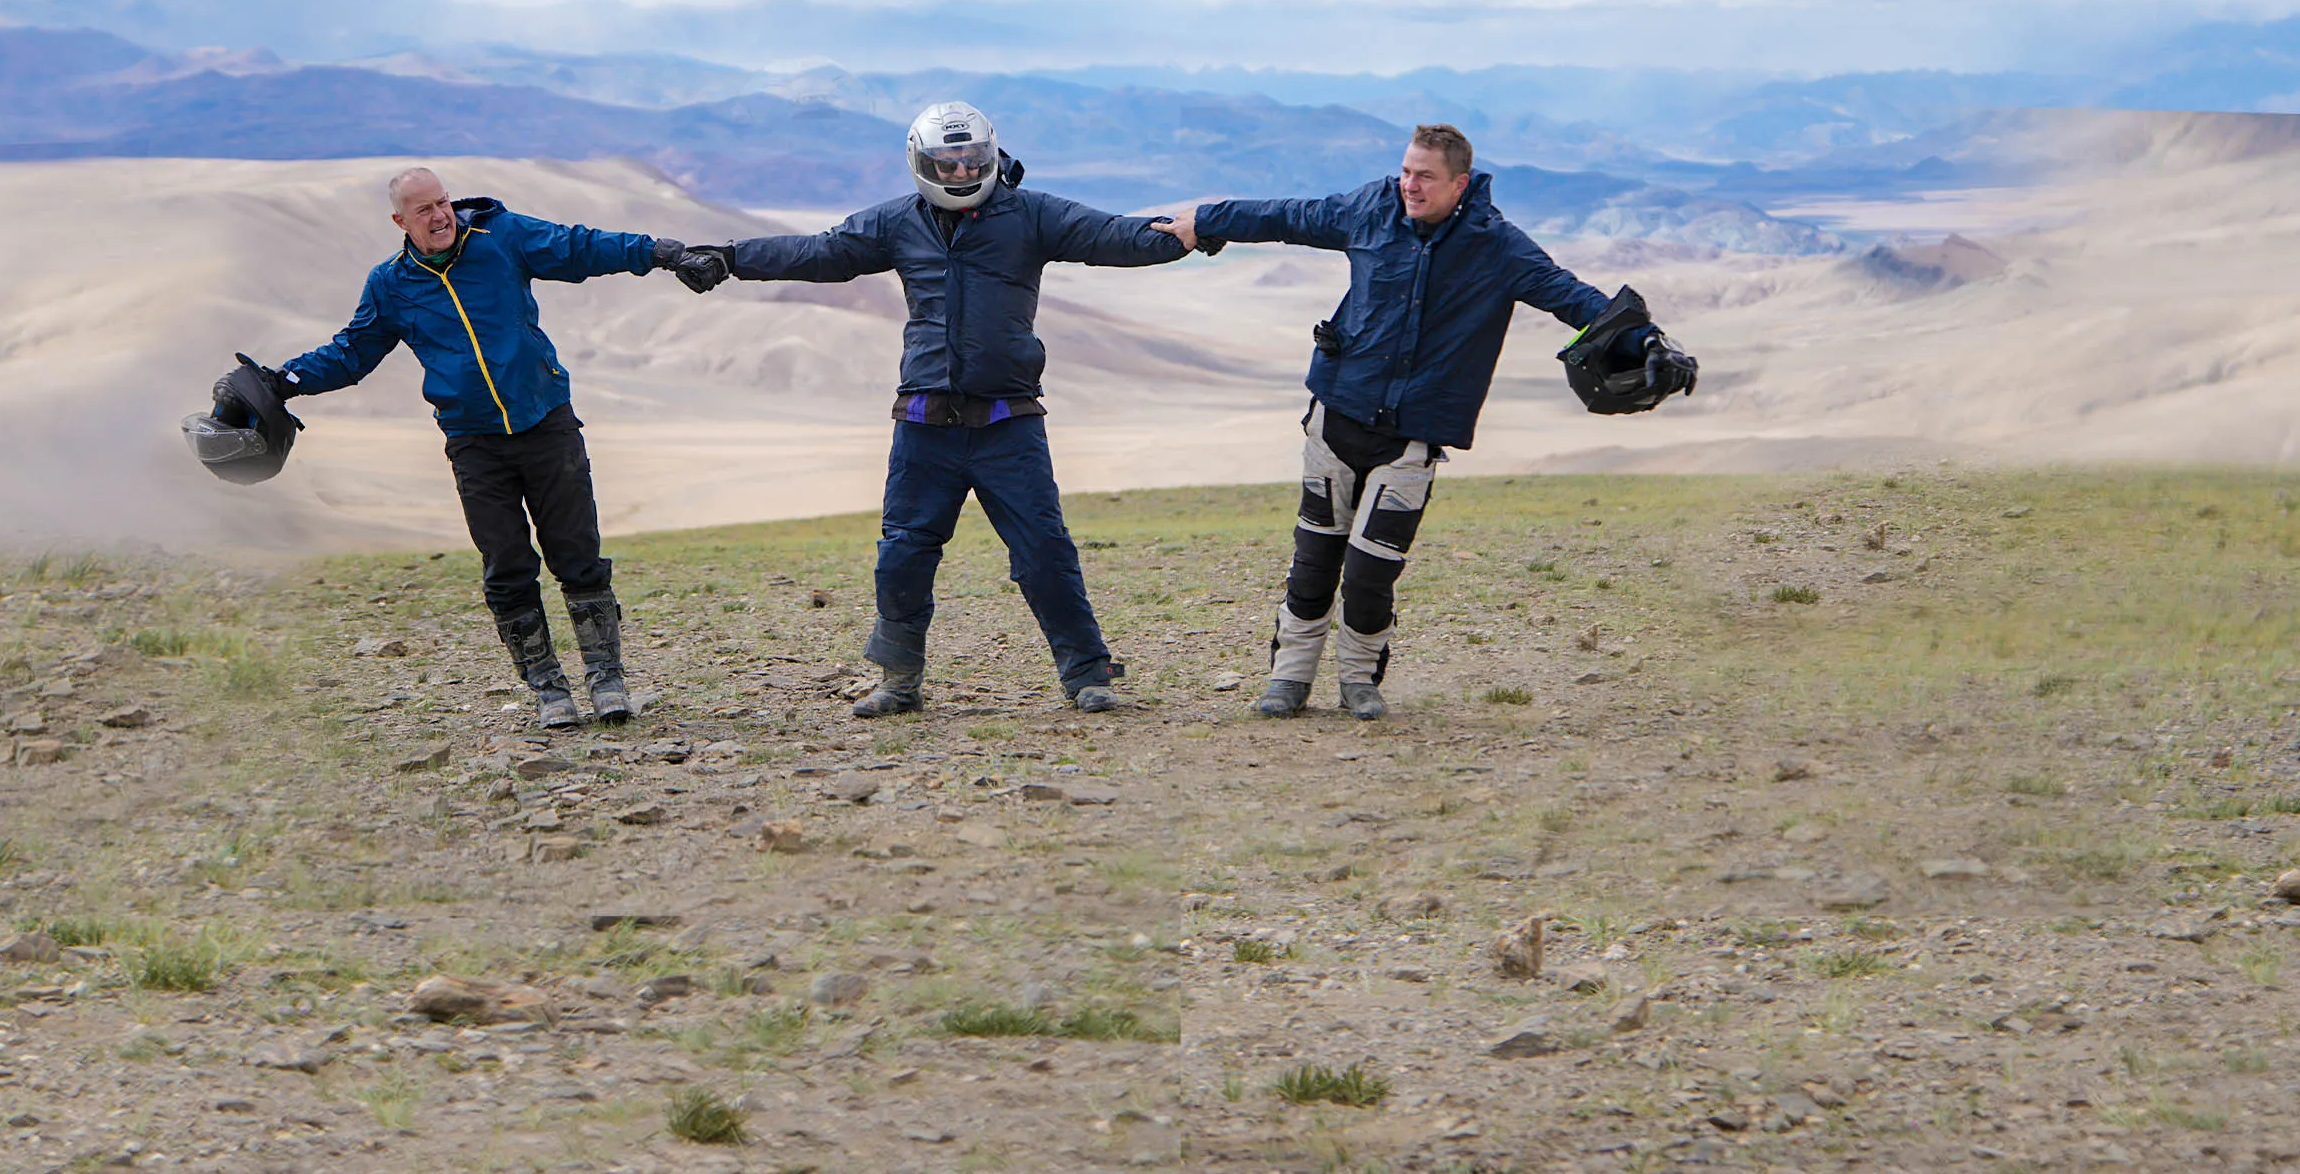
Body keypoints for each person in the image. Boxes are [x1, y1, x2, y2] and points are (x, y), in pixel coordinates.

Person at [688, 102, 1187, 717]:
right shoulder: (898, 222)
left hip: (1009, 418)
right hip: (925, 420)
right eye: (945, 163)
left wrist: (1190, 231)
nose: (958, 172)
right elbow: (820, 252)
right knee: (903, 551)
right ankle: (899, 680)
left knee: (1043, 550)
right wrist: (732, 257)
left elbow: (1109, 234)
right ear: (921, 164)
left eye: (971, 161)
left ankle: (1087, 673)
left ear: (992, 158)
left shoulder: (1030, 214)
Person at [1164, 124, 1675, 721]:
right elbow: (1287, 216)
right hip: (1336, 418)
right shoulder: (1369, 209)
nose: (1409, 184)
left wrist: (1647, 341)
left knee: (1370, 573)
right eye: (1406, 171)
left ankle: (1359, 680)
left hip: (1413, 435)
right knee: (1314, 563)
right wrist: (1206, 219)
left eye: (1425, 176)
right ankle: (1289, 678)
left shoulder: (1499, 247)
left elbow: (1575, 299)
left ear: (1460, 183)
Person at [280, 166, 730, 730]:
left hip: (547, 424)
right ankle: (547, 688)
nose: (440, 215)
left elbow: (578, 247)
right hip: (474, 443)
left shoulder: (502, 238)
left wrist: (661, 252)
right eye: (423, 210)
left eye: (442, 202)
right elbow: (351, 352)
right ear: (400, 221)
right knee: (508, 567)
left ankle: (605, 677)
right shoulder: (391, 283)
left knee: (578, 555)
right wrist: (282, 381)